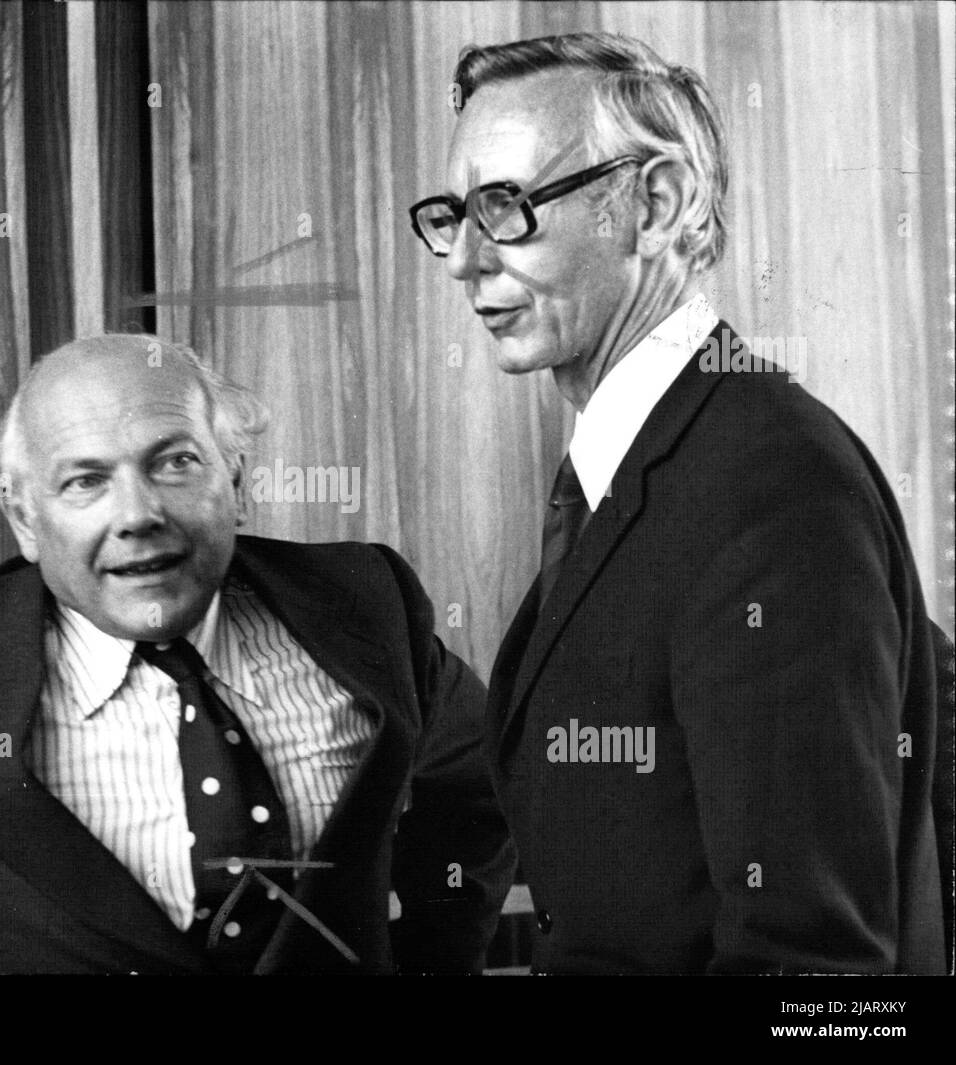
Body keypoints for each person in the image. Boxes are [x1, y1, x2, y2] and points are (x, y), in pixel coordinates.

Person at [0, 335, 514, 975]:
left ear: (238, 477)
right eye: (85, 481)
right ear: (25, 517)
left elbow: (479, 801)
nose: (138, 512)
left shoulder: (365, 604)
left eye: (175, 462)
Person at [408, 31, 945, 973]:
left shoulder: (771, 484)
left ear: (654, 205)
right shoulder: (654, 459)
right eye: (454, 213)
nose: (465, 259)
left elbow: (813, 970)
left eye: (507, 206)